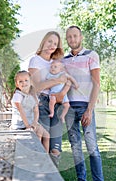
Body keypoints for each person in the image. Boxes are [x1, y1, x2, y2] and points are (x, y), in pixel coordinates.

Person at [63, 25, 106, 181]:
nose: (72, 39)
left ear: (80, 37)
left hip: (85, 107)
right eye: (69, 37)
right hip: (69, 109)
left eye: (75, 36)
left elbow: (96, 84)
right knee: (75, 148)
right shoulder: (64, 60)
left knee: (92, 148)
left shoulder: (91, 55)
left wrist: (90, 109)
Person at [28, 31, 70, 167]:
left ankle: (53, 178)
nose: (52, 45)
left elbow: (67, 80)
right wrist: (58, 80)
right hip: (41, 103)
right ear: (44, 42)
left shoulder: (56, 63)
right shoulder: (35, 60)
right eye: (50, 41)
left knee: (56, 147)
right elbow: (38, 86)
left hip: (57, 103)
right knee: (42, 142)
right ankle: (42, 177)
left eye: (55, 43)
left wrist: (62, 93)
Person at [11, 70, 50, 152]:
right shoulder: (18, 96)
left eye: (26, 80)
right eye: (20, 81)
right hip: (21, 124)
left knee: (46, 135)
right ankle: (37, 154)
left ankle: (46, 156)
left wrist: (35, 122)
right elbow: (21, 112)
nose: (24, 83)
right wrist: (28, 126)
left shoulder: (33, 95)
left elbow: (36, 110)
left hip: (31, 122)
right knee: (38, 134)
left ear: (30, 81)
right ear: (17, 84)